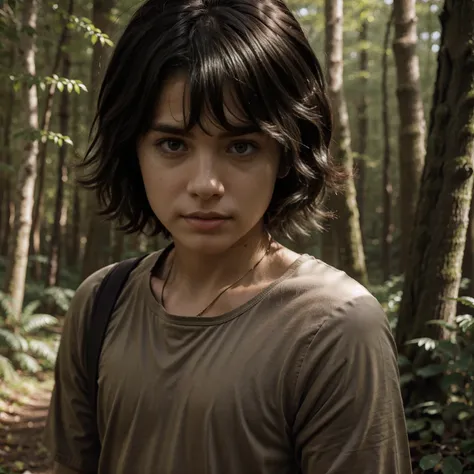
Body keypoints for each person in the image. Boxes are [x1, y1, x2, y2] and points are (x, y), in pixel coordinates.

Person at [43, 0, 412, 473]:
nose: (205, 184)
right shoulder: (99, 304)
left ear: (286, 152)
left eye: (241, 146)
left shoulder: (335, 329)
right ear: (132, 150)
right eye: (172, 144)